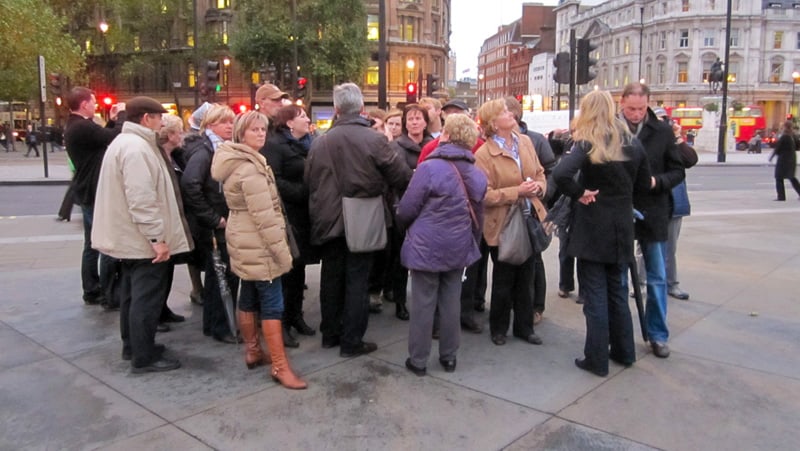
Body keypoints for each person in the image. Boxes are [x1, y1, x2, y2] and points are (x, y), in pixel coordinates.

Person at [305, 82, 412, 357]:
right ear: (362, 108)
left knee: (331, 276)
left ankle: (330, 333)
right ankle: (352, 340)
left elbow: (309, 180)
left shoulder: (320, 141)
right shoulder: (374, 139)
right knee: (357, 280)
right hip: (362, 217)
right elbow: (400, 176)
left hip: (328, 218)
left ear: (337, 109)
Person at [554, 90, 651, 377]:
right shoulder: (632, 143)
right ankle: (624, 351)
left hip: (593, 225)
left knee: (595, 294)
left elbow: (560, 175)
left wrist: (580, 192)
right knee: (618, 292)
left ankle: (596, 358)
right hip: (621, 224)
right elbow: (644, 185)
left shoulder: (586, 144)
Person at [92, 96, 193, 373]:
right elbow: (141, 199)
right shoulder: (137, 148)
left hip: (130, 238)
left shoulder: (126, 143)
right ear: (146, 118)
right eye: (159, 117)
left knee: (131, 295)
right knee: (145, 298)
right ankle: (144, 354)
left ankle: (133, 346)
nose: (162, 122)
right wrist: (156, 239)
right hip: (141, 241)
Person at [211, 111, 307, 389]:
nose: (260, 134)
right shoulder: (250, 167)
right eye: (254, 130)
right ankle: (279, 365)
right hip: (258, 242)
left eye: (263, 129)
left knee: (249, 295)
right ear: (242, 133)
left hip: (243, 238)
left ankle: (253, 350)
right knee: (272, 303)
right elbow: (265, 218)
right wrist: (282, 254)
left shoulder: (236, 160)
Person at [397, 114, 487, 376]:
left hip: (426, 243)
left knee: (423, 302)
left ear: (446, 135)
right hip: (458, 243)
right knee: (451, 300)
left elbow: (407, 209)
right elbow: (478, 216)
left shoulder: (428, 168)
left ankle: (418, 359)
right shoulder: (476, 173)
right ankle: (449, 357)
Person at [619, 82, 685, 359]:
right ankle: (619, 334)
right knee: (619, 277)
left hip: (654, 209)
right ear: (622, 103)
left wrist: (658, 181)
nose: (636, 114)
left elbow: (678, 170)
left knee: (657, 277)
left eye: (641, 108)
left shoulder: (662, 131)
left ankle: (658, 334)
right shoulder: (612, 129)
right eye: (631, 108)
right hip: (621, 210)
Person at [475, 98, 547, 346]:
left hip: (529, 217)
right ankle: (498, 328)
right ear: (493, 123)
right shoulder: (483, 154)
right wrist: (518, 191)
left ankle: (524, 327)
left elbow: (540, 173)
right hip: (502, 223)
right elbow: (484, 195)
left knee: (527, 274)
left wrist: (538, 186)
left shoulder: (525, 142)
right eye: (504, 112)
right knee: (504, 277)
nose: (510, 114)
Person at [181, 104, 239, 344]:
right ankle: (220, 326)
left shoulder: (216, 148)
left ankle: (214, 324)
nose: (230, 126)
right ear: (210, 125)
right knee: (221, 277)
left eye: (231, 121)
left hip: (217, 222)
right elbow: (190, 184)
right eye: (224, 122)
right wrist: (213, 218)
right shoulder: (205, 151)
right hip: (215, 226)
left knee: (218, 276)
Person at [64, 87, 124, 307]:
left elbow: (101, 138)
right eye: (93, 101)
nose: (95, 104)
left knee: (91, 243)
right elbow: (111, 136)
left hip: (86, 190)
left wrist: (110, 121)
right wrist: (120, 118)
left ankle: (92, 288)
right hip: (93, 191)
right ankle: (104, 291)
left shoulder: (77, 126)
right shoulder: (81, 127)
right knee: (103, 243)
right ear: (84, 104)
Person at [262, 105, 317, 346]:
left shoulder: (308, 144)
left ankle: (296, 315)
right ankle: (282, 322)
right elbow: (274, 180)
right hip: (286, 214)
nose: (307, 119)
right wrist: (302, 191)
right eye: (302, 116)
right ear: (289, 123)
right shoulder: (275, 145)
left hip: (305, 215)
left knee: (299, 268)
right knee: (286, 270)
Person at [505, 96, 557, 325]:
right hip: (507, 211)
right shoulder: (495, 141)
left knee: (534, 259)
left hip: (532, 210)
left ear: (513, 115)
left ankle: (536, 306)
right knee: (508, 259)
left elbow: (551, 172)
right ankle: (512, 305)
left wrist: (542, 194)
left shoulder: (534, 140)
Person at [382, 104, 433, 319]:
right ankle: (400, 301)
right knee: (401, 257)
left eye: (418, 118)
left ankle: (426, 301)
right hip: (403, 204)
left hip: (430, 207)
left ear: (425, 122)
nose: (414, 122)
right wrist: (419, 176)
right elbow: (397, 176)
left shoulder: (432, 144)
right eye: (410, 118)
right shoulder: (397, 146)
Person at [157, 114, 201, 320]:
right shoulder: (159, 157)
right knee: (159, 273)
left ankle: (162, 310)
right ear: (171, 135)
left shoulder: (175, 155)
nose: (183, 135)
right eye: (179, 131)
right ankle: (158, 313)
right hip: (164, 222)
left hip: (175, 218)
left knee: (167, 270)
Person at [653, 109, 698, 301]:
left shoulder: (673, 143)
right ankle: (641, 282)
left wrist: (678, 137)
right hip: (652, 201)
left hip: (673, 201)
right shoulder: (648, 142)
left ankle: (672, 283)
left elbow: (690, 160)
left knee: (670, 247)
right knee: (646, 247)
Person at [769, 120, 800, 201]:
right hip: (792, 158)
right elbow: (797, 146)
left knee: (778, 177)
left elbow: (778, 148)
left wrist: (771, 157)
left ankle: (781, 196)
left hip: (783, 160)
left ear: (785, 127)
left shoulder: (784, 136)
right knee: (792, 177)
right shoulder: (793, 135)